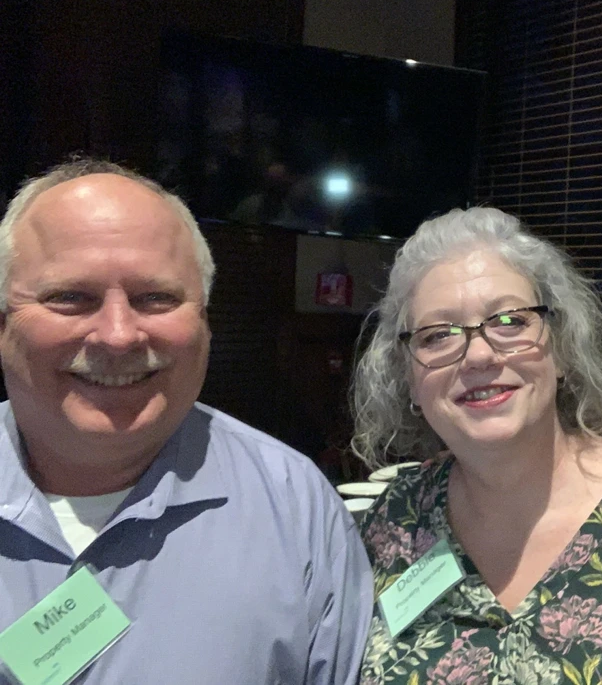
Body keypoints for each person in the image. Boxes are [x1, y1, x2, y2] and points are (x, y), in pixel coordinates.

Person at [0, 158, 372, 683]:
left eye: (156, 298)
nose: (118, 335)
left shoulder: (298, 508)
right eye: (69, 297)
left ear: (205, 322)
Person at [351, 206, 602, 685]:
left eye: (510, 321)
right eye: (438, 335)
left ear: (561, 348)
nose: (478, 354)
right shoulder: (391, 524)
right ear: (409, 379)